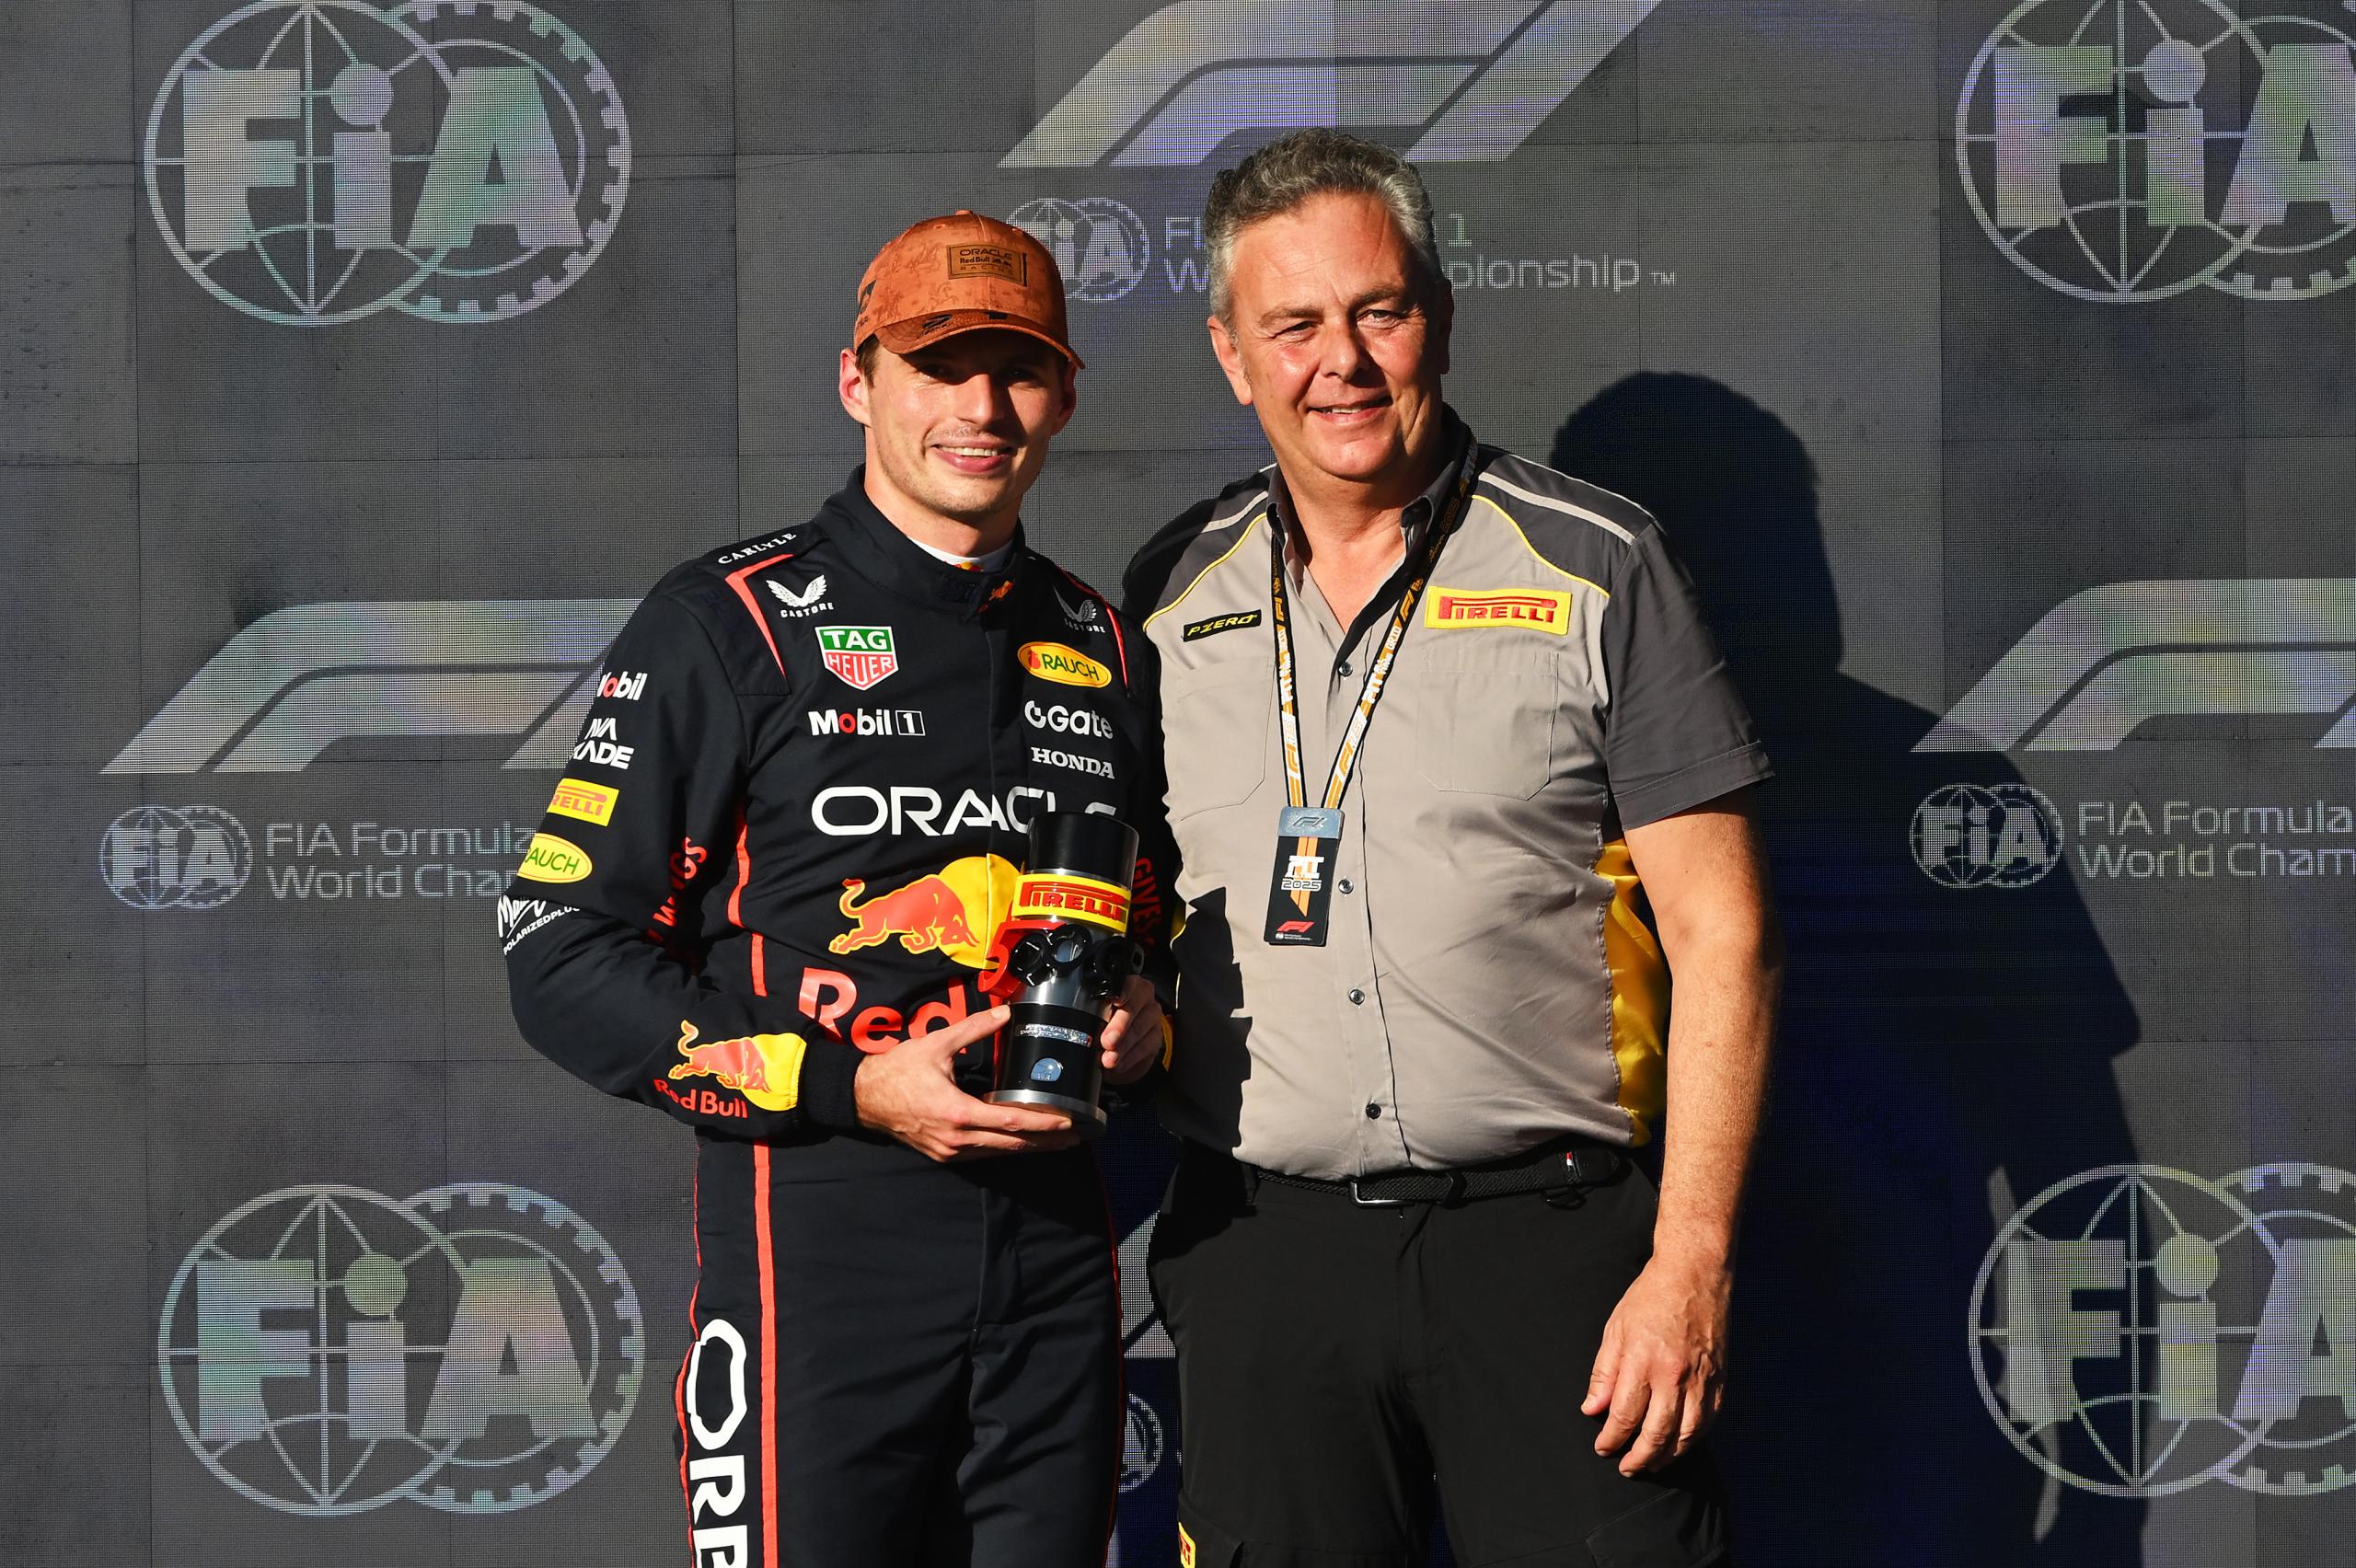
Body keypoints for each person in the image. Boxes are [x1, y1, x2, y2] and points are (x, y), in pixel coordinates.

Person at [1123, 131, 1781, 1568]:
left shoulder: (1596, 561)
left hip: (1553, 1251)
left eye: (1380, 311)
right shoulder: (1165, 593)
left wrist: (1689, 1263)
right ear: (1232, 356)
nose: (1341, 362)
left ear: (1440, 315)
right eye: (1294, 325)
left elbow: (1725, 939)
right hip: (1264, 1252)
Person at [502, 210, 1176, 1568]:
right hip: (819, 1248)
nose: (981, 408)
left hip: (1055, 1262)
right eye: (939, 366)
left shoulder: (1103, 644)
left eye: (1020, 370)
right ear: (858, 382)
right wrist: (850, 1087)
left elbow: (1149, 918)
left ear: (1065, 400)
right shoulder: (728, 621)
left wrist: (1148, 1014)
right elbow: (559, 951)